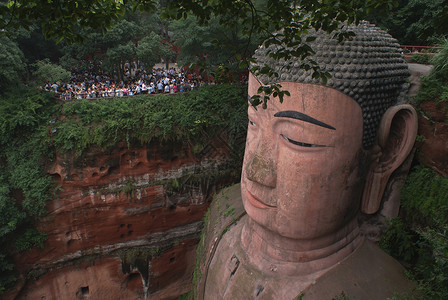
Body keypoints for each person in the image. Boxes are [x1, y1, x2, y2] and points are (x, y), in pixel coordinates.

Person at [195, 21, 418, 299]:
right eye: (253, 122)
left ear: (388, 150)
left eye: (297, 140)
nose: (256, 171)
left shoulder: (385, 290)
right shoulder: (222, 214)